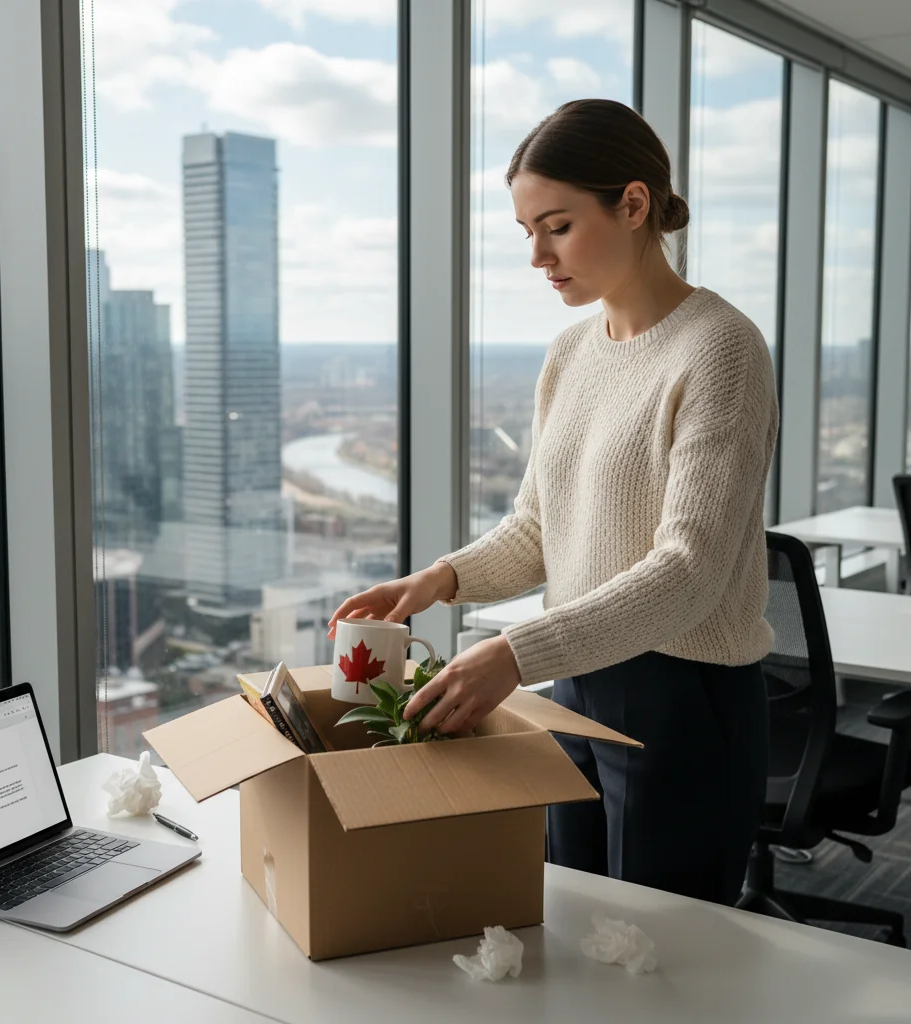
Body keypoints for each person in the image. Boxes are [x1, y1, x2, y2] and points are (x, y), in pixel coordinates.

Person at [327, 98, 778, 907]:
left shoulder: (721, 348)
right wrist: (435, 582)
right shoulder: (570, 352)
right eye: (527, 230)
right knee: (570, 922)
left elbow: (690, 573)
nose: (537, 255)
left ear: (633, 204)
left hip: (684, 699)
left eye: (557, 225)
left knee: (665, 957)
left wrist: (515, 655)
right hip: (576, 676)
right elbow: (539, 529)